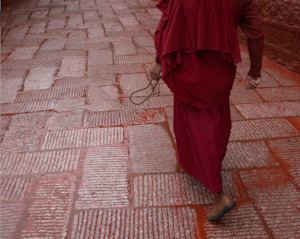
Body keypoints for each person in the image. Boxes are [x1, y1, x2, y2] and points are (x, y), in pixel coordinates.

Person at [149, 0, 263, 221]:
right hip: (220, 70)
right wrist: (255, 70)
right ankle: (188, 160)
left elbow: (167, 26)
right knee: (216, 121)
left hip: (188, 66)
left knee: (192, 120)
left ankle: (219, 194)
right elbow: (256, 33)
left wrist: (158, 61)